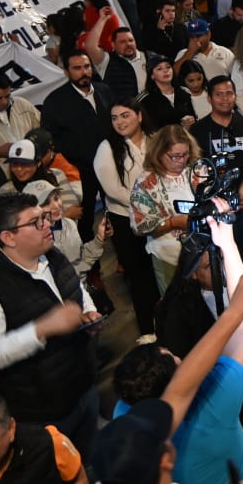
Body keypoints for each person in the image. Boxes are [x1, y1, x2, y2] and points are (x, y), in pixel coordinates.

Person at [112, 210, 243, 484]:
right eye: (177, 361)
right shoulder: (216, 403)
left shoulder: (126, 415)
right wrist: (227, 242)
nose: (181, 357)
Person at [0, 195, 102, 459]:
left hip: (84, 387)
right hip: (43, 413)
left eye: (44, 217)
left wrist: (88, 310)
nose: (48, 225)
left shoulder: (51, 255)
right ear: (8, 237)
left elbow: (73, 282)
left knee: (95, 460)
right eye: (36, 222)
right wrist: (42, 329)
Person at [94, 99, 159, 341]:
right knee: (140, 276)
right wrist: (145, 205)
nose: (120, 122)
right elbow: (112, 189)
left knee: (162, 271)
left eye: (125, 115)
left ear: (139, 116)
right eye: (114, 118)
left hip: (161, 217)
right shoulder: (107, 147)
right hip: (127, 221)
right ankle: (148, 330)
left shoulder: (155, 139)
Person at [40, 49, 113, 241]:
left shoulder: (104, 90)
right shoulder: (55, 101)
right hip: (79, 172)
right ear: (66, 72)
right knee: (84, 219)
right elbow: (52, 140)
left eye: (87, 67)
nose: (84, 72)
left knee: (117, 212)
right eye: (77, 68)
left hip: (111, 165)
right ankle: (89, 266)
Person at [130, 126, 201, 295]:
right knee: (176, 310)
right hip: (169, 258)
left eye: (185, 154)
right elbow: (139, 227)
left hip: (203, 255)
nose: (181, 161)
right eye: (175, 156)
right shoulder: (146, 182)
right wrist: (173, 222)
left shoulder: (197, 171)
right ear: (159, 153)